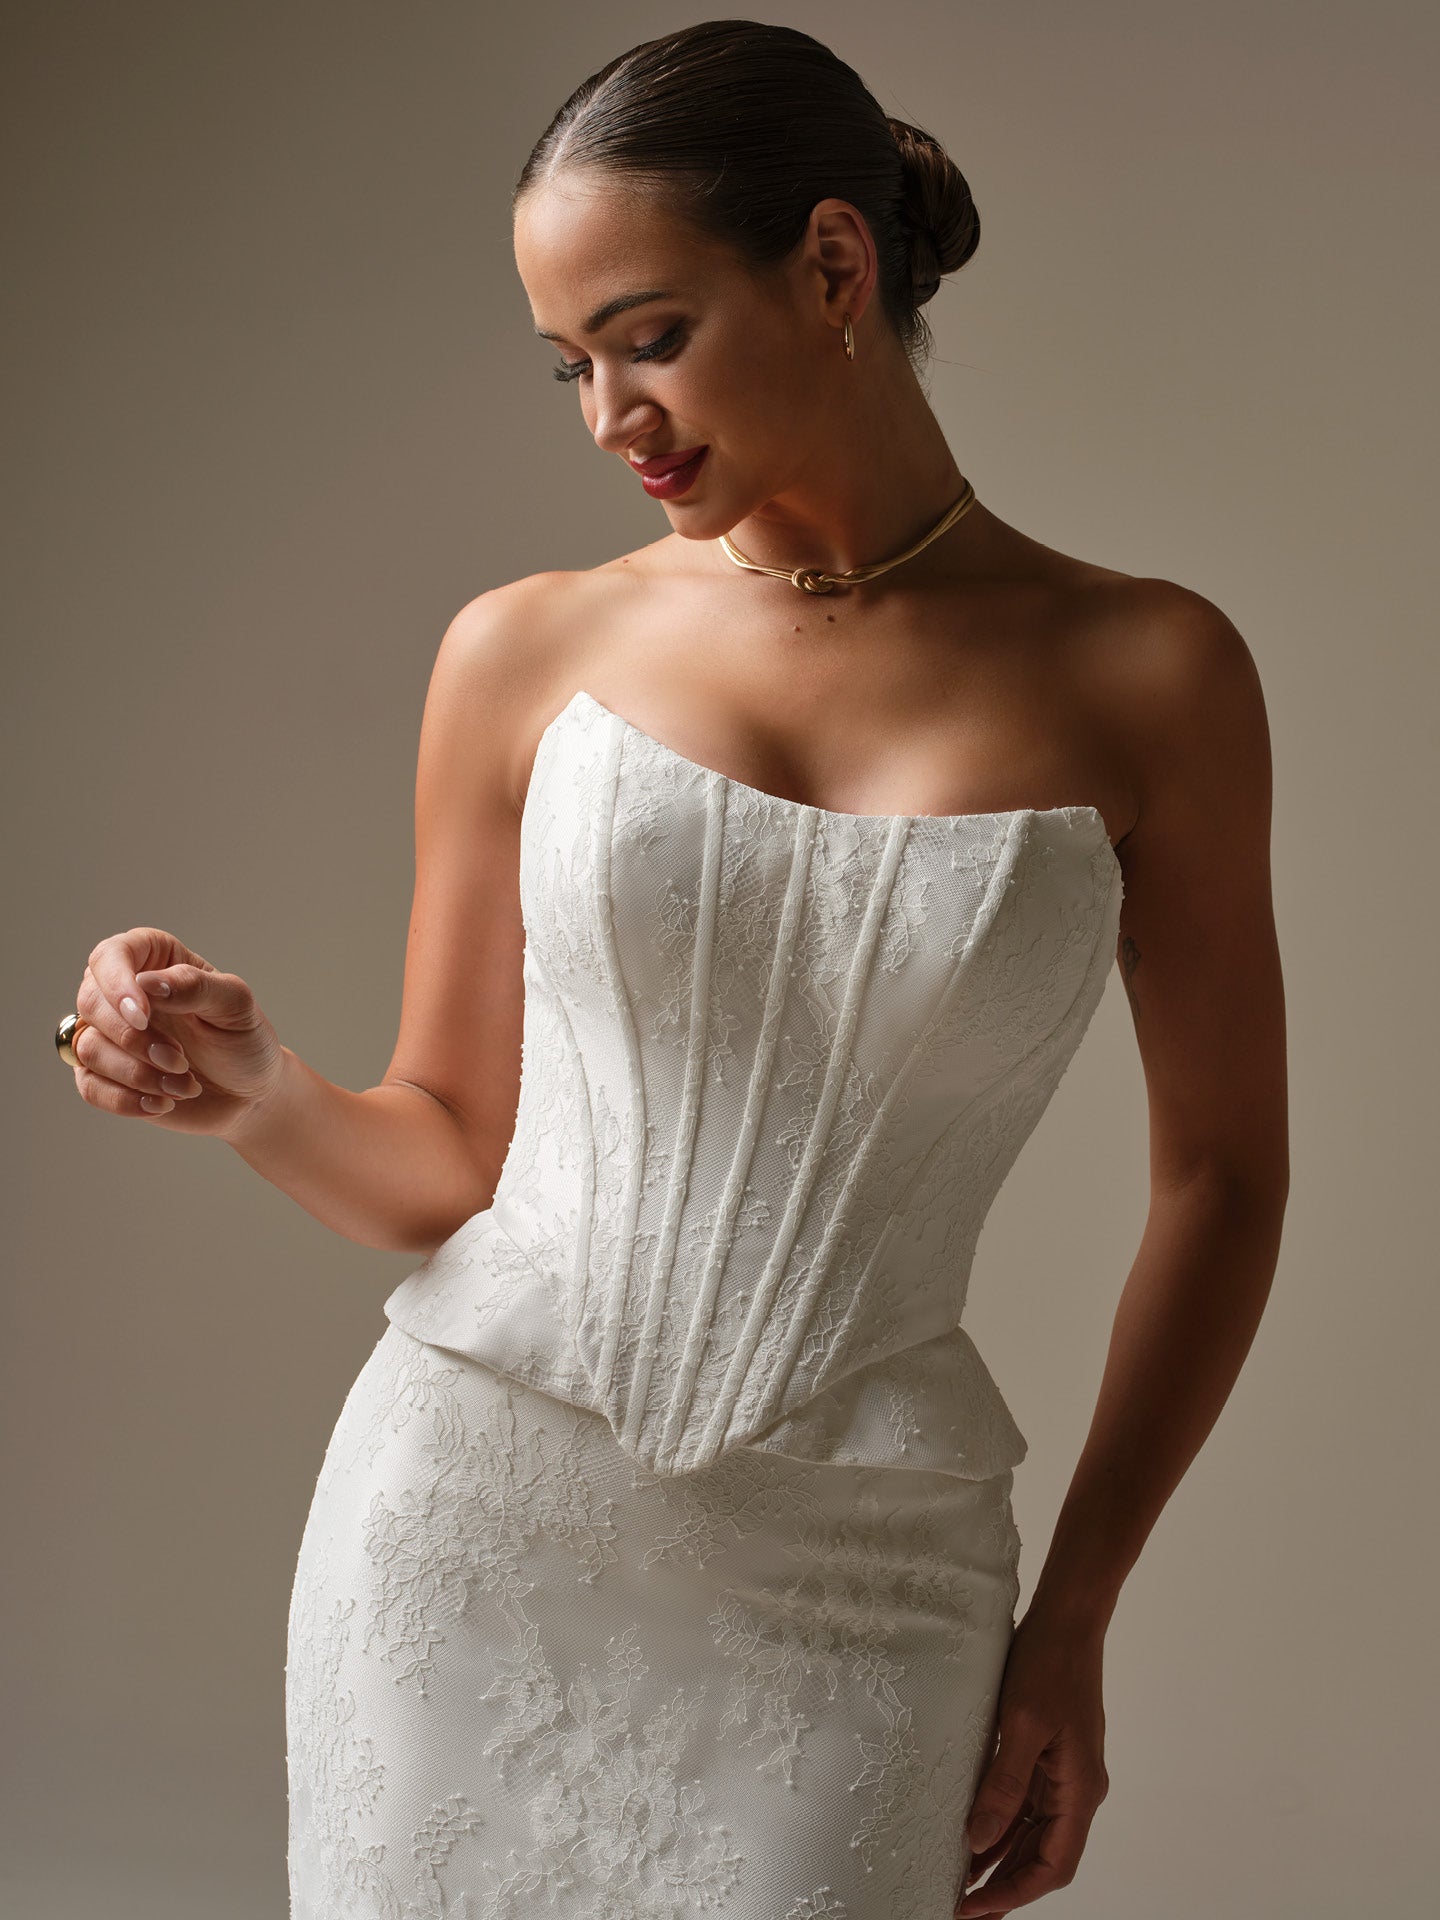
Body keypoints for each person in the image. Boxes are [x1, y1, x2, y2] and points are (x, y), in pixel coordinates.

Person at [55, 19, 1288, 1919]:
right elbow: (445, 1156)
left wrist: (1080, 1613)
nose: (608, 415)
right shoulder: (522, 652)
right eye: (569, 363)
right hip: (467, 1523)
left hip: (870, 1573)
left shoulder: (1152, 674)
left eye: (650, 335)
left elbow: (1223, 1178)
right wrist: (259, 1098)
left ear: (831, 267)